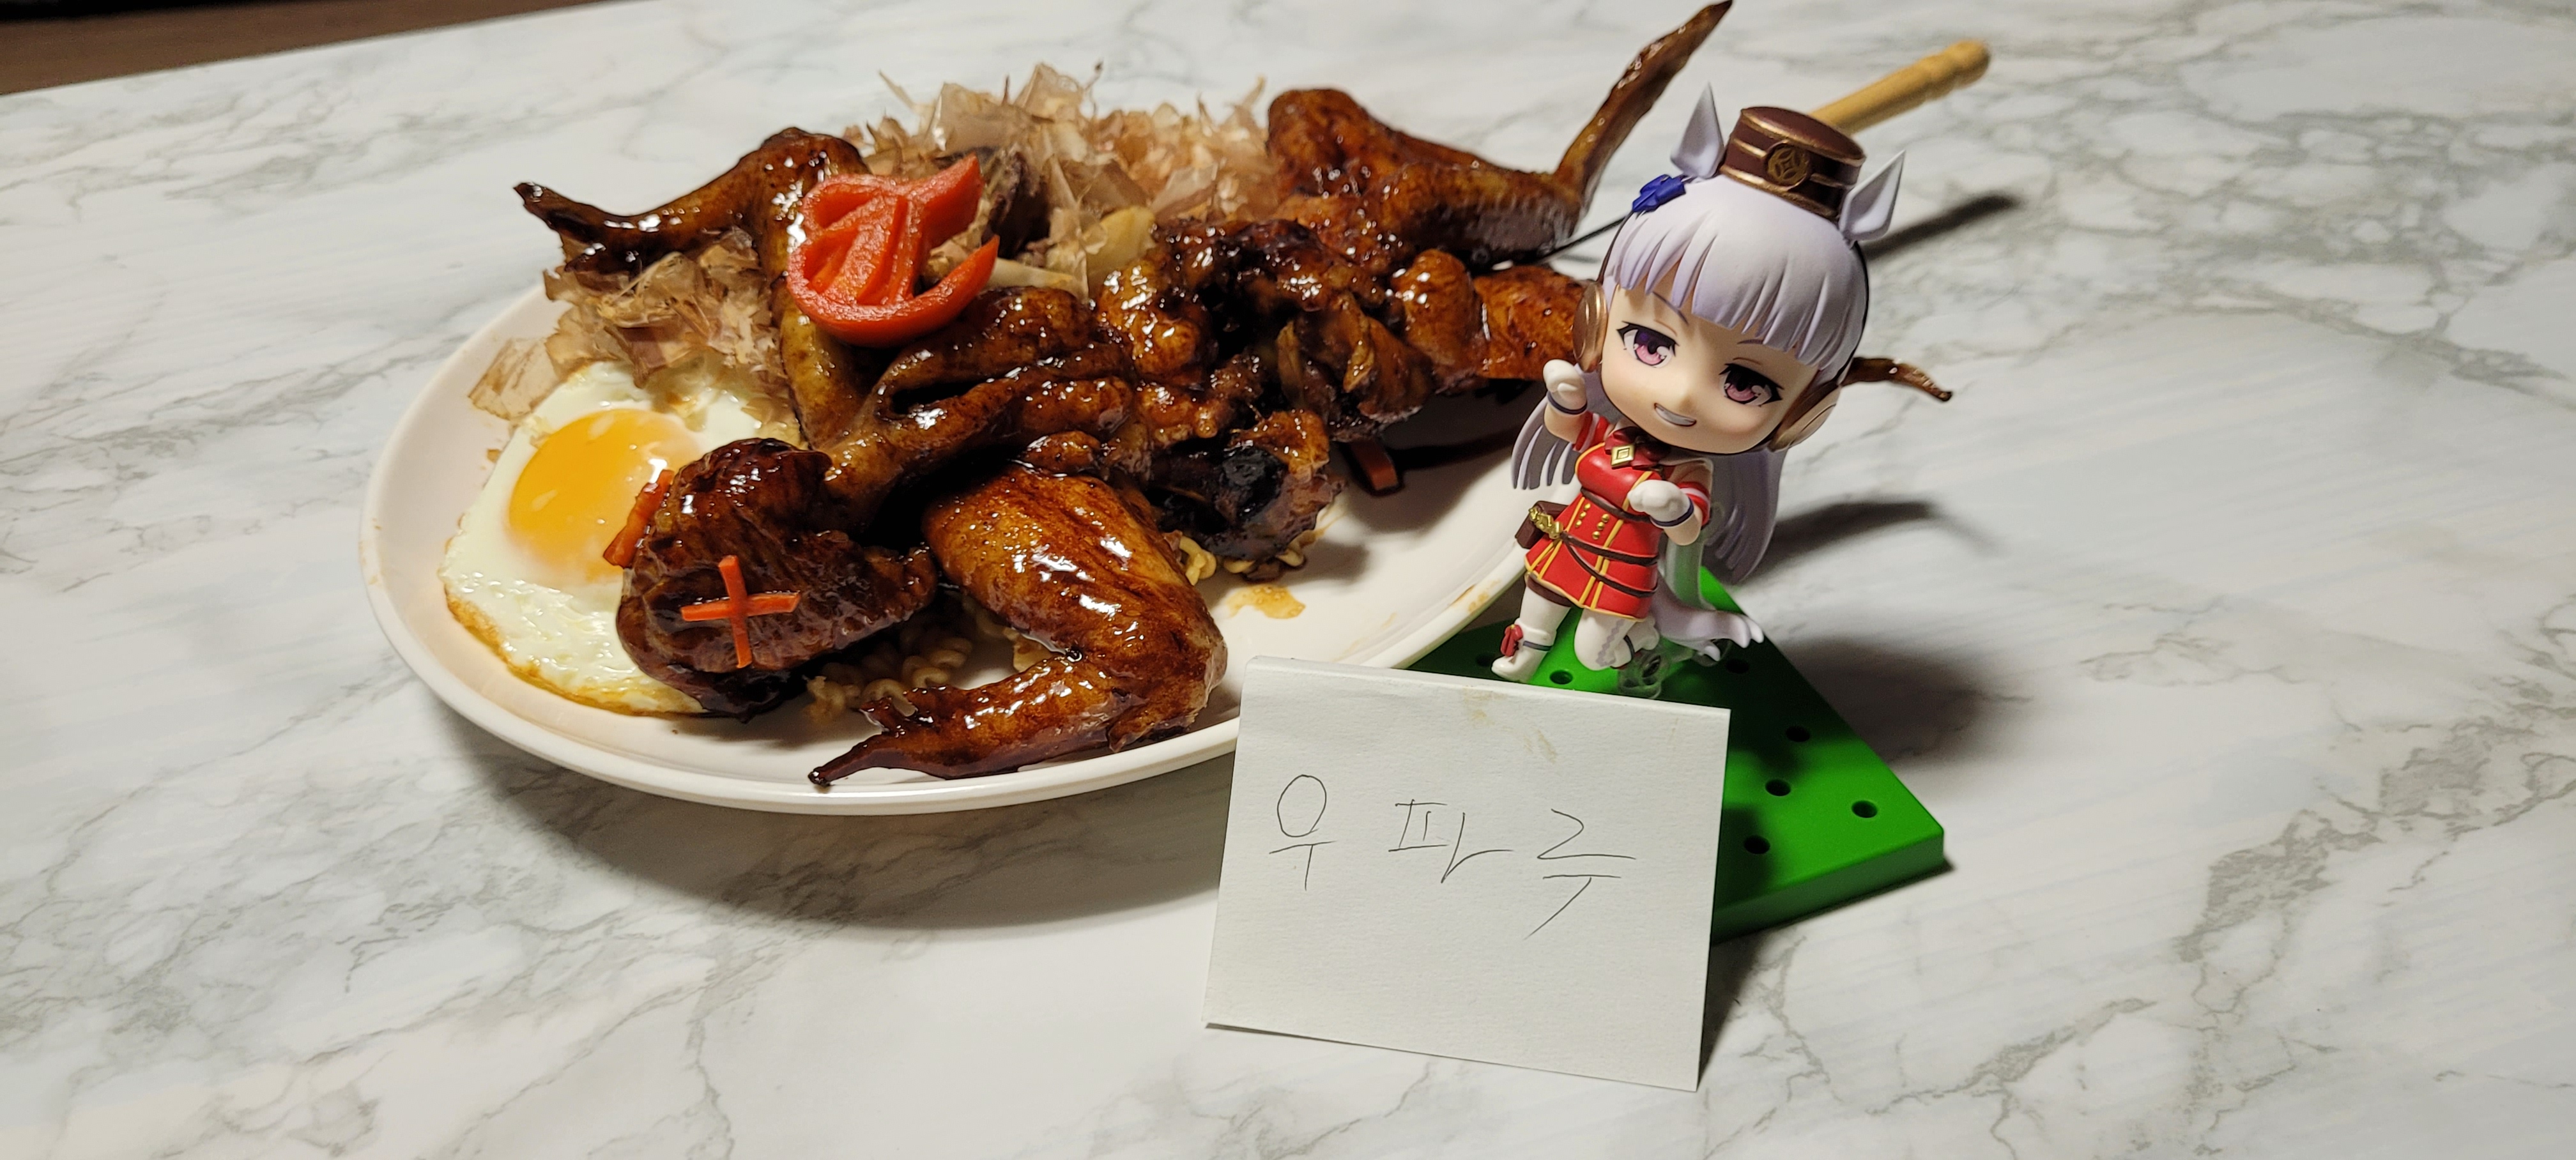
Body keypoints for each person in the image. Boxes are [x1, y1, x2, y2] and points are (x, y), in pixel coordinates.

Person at [1494, 90, 1908, 681]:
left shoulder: (1689, 470)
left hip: (1624, 569)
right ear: (1596, 322)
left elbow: (1690, 522)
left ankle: (1640, 646)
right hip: (1568, 539)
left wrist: (1668, 507)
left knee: (1592, 652)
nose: (1683, 394)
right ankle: (1524, 655)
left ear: (1803, 412)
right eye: (1651, 344)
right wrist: (1565, 400)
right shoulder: (1614, 432)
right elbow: (1573, 432)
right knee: (1538, 606)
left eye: (1744, 383)